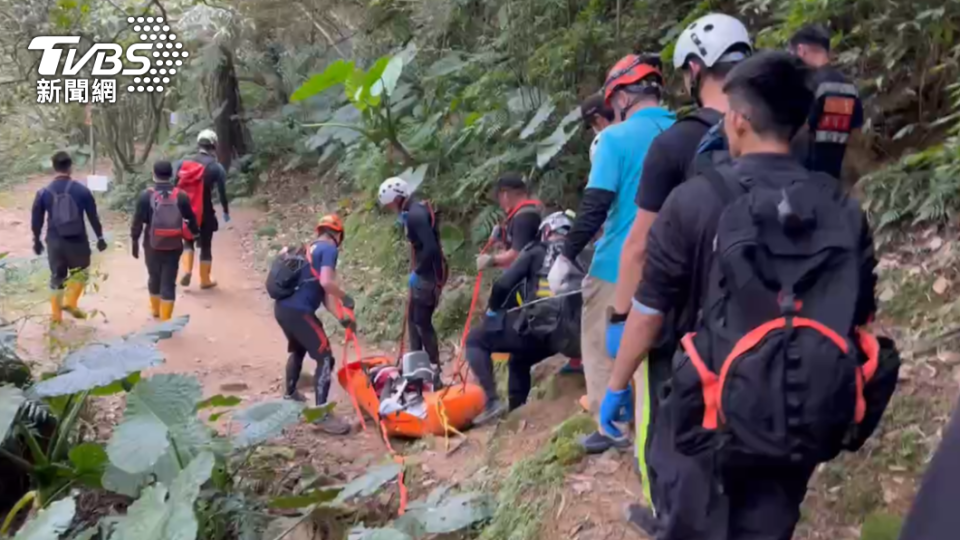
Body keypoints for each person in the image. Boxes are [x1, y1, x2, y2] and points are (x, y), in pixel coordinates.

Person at [604, 52, 878, 539]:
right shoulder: (840, 206)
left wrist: (616, 383)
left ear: (741, 119)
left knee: (694, 515)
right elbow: (858, 315)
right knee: (770, 519)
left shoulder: (694, 200)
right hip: (805, 409)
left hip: (713, 410)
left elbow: (647, 315)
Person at [606, 10, 752, 506]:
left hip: (682, 329)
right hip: (758, 324)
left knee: (666, 449)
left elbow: (640, 245)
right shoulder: (774, 139)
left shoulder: (674, 145)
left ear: (694, 69)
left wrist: (620, 318)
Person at [547, 54, 675, 454]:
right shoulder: (684, 130)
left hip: (619, 262)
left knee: (603, 343)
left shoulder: (614, 139)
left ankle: (611, 426)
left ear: (620, 96)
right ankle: (654, 432)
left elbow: (595, 205)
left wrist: (565, 257)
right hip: (675, 260)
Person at [466, 211, 580, 424]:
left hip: (540, 330)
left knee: (475, 339)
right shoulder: (584, 252)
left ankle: (492, 401)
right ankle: (516, 411)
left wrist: (493, 311)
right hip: (572, 337)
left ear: (546, 232)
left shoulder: (536, 251)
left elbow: (503, 285)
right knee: (519, 359)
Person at [273, 214, 355, 435]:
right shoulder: (329, 249)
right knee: (325, 357)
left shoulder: (308, 250)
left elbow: (324, 295)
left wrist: (342, 318)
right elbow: (327, 283)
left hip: (282, 309)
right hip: (299, 313)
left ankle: (290, 394)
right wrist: (345, 297)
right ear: (338, 235)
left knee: (299, 349)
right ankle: (321, 414)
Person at [378, 177, 448, 384]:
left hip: (429, 275)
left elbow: (432, 249)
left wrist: (418, 272)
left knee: (421, 321)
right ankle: (415, 366)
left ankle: (434, 370)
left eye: (390, 204)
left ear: (398, 199)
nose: (390, 209)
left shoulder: (416, 215)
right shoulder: (413, 211)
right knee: (413, 319)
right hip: (425, 272)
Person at [31, 151, 108, 323]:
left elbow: (36, 219)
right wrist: (100, 237)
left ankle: (56, 318)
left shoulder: (43, 192)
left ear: (54, 167)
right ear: (70, 167)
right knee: (80, 273)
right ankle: (70, 303)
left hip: (55, 241)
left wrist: (36, 240)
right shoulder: (82, 191)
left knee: (57, 277)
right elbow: (93, 216)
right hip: (78, 241)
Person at [789, 24, 864, 181]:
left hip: (803, 176)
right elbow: (855, 132)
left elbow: (799, 129)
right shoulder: (849, 86)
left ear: (801, 50)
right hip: (834, 176)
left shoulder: (808, 85)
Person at [130, 161, 200, 320]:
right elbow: (190, 219)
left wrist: (134, 241)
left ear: (153, 174)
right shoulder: (181, 196)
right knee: (168, 281)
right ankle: (166, 320)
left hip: (151, 243)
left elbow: (137, 221)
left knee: (154, 277)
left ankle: (155, 311)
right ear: (171, 175)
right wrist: (196, 235)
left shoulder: (146, 195)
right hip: (174, 243)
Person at [176, 129, 229, 290]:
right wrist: (225, 211)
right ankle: (205, 279)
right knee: (206, 245)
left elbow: (174, 186)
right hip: (205, 211)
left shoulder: (183, 163)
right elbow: (221, 192)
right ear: (214, 145)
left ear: (198, 144)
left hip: (186, 210)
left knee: (188, 241)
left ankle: (186, 270)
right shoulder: (216, 167)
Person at [475, 173, 542, 273]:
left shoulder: (524, 216)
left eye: (499, 197)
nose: (500, 203)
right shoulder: (530, 210)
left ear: (505, 195)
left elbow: (517, 254)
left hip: (528, 276)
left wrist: (491, 260)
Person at [581, 93, 616, 162]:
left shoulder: (599, 147)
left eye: (592, 124)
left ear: (598, 119)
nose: (593, 129)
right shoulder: (631, 127)